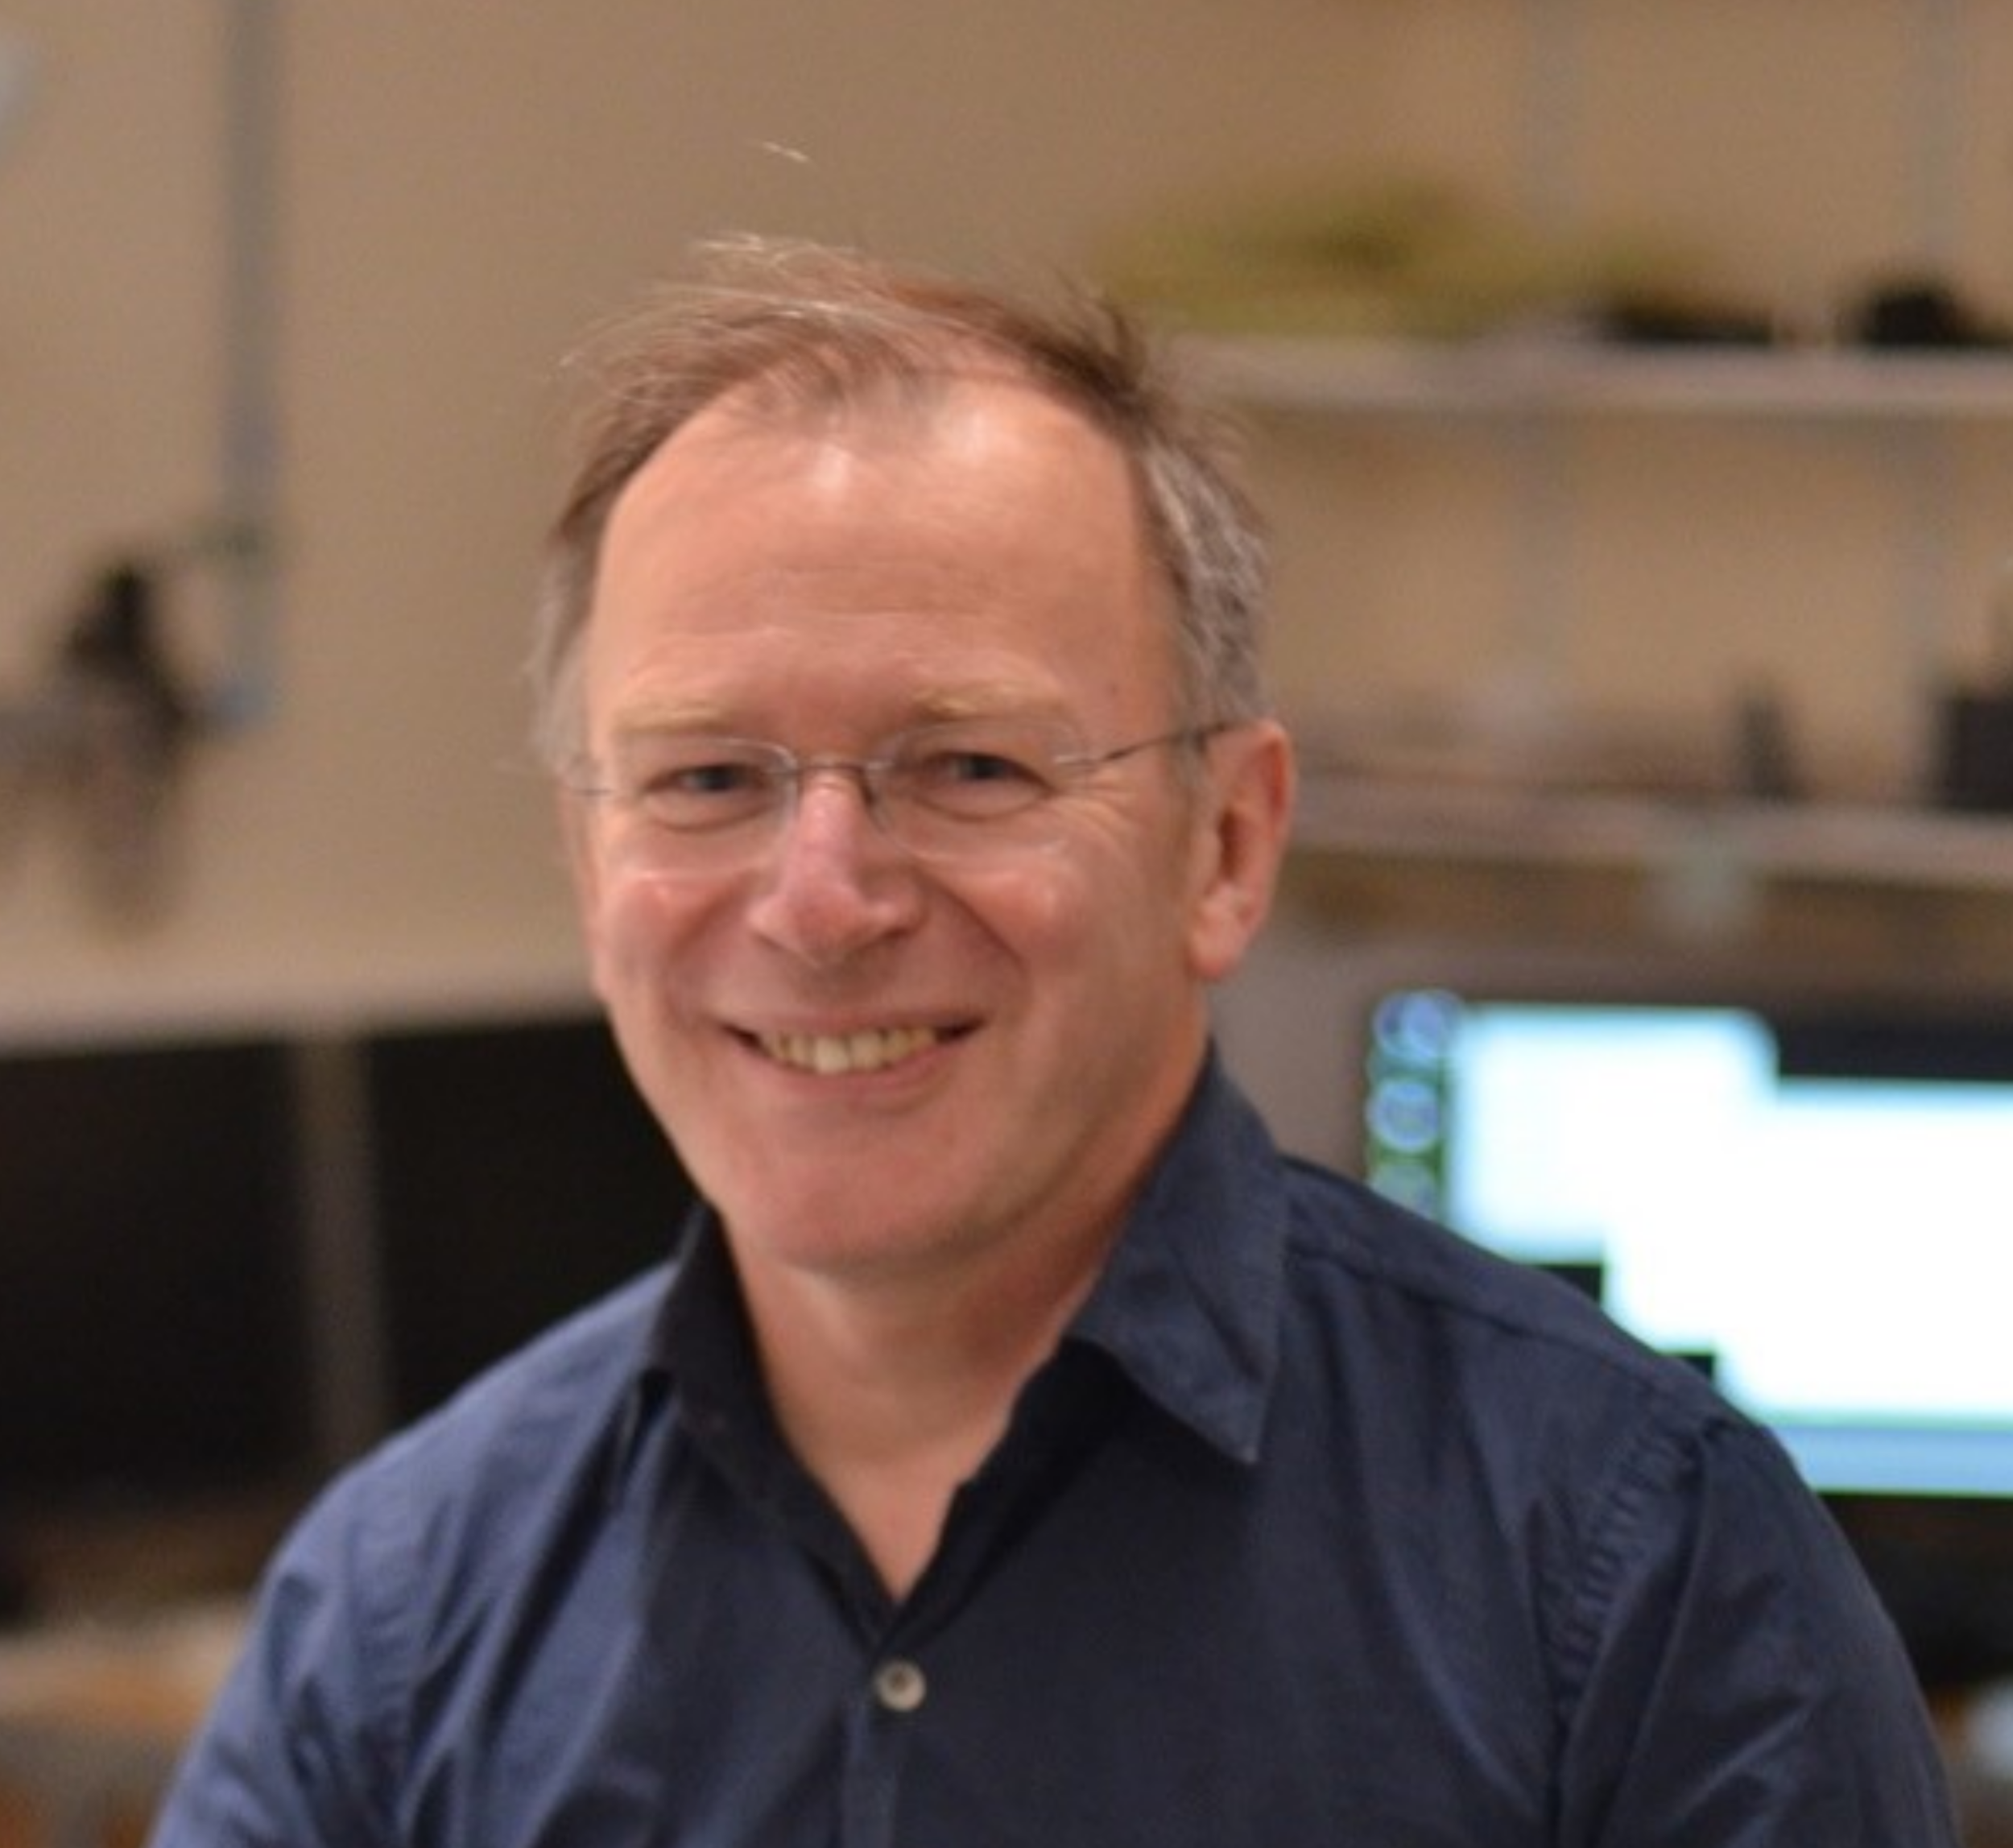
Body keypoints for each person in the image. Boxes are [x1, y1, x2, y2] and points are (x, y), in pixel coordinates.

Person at [150, 239, 1959, 1846]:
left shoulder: (1630, 1565)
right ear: (584, 856)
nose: (821, 900)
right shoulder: (397, 1618)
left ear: (1225, 845)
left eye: (969, 764)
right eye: (704, 778)